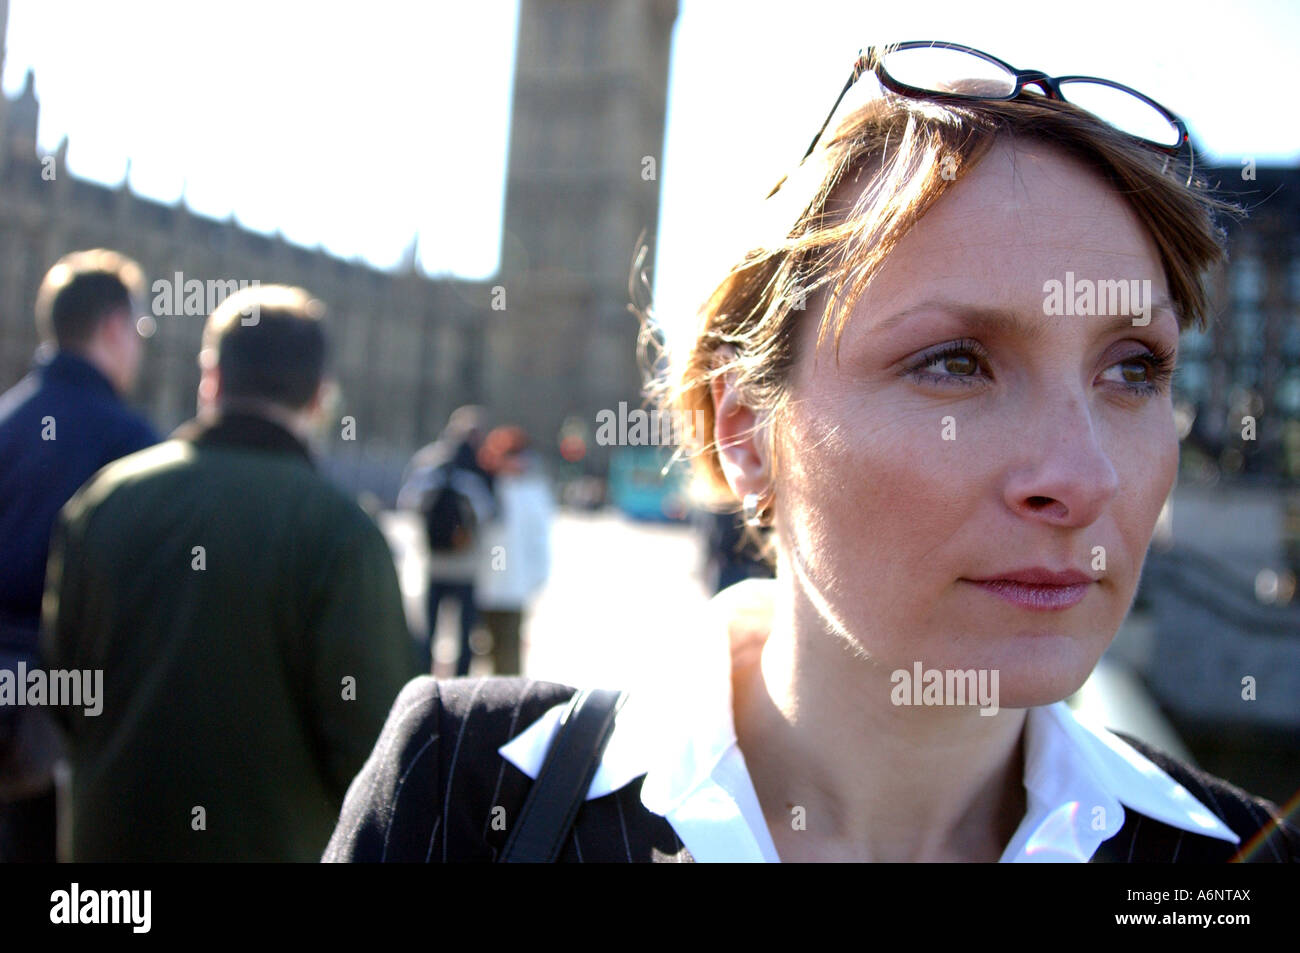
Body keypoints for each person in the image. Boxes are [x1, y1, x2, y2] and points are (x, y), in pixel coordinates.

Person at [325, 42, 1299, 862]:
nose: (1085, 478)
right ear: (746, 431)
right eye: (955, 362)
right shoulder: (459, 794)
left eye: (1133, 369)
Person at [42, 284, 416, 861]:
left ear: (211, 380)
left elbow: (62, 690)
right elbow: (379, 754)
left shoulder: (104, 499)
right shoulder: (343, 533)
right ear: (320, 396)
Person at [0, 249, 158, 863]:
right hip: (69, 716)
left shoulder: (8, 422)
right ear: (114, 328)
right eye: (139, 329)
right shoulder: (133, 446)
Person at [398, 406, 497, 676]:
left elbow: (408, 502)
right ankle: (461, 686)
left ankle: (423, 682)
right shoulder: (478, 467)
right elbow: (488, 513)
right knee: (465, 635)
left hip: (434, 563)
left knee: (429, 633)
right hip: (466, 566)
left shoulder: (428, 462)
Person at [473, 426, 554, 675]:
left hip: (513, 589)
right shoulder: (489, 487)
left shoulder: (531, 492)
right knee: (480, 651)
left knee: (507, 655)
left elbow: (538, 540)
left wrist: (535, 578)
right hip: (484, 586)